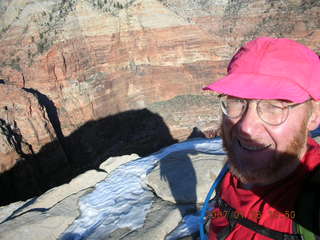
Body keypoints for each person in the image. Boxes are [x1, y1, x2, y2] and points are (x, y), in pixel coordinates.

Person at [202, 37, 320, 240]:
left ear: (314, 116)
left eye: (275, 106)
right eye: (237, 100)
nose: (246, 127)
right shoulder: (230, 172)